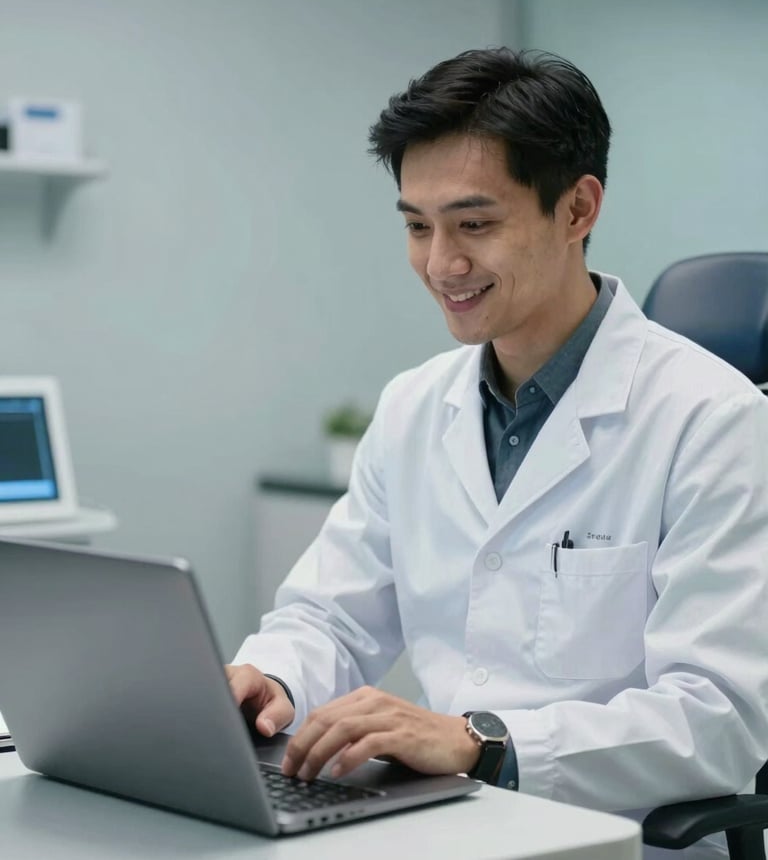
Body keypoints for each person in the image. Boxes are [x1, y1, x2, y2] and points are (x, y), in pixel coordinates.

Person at [227, 47, 768, 857]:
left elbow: (718, 718)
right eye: (417, 226)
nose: (441, 264)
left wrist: (484, 741)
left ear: (578, 208)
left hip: (614, 842)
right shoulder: (415, 405)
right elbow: (330, 617)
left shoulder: (713, 420)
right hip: (443, 825)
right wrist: (271, 680)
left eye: (474, 225)